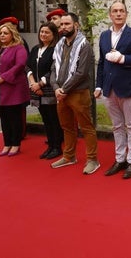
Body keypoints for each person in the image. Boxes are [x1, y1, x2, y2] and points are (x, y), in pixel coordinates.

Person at [96, 1, 131, 179]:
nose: (118, 14)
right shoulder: (103, 36)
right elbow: (101, 63)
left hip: (128, 87)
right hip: (109, 88)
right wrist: (98, 85)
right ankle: (120, 159)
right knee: (117, 126)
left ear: (126, 14)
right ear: (110, 15)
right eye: (115, 11)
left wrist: (123, 58)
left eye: (121, 11)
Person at [50, 13, 100, 175]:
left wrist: (63, 89)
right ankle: (69, 156)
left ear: (76, 25)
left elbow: (81, 73)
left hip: (78, 93)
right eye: (61, 24)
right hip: (61, 94)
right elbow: (53, 69)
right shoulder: (59, 45)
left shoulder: (84, 45)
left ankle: (93, 160)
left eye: (67, 24)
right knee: (67, 127)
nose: (63, 27)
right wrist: (56, 87)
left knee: (86, 127)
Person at [0, 23, 30, 157]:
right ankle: (7, 143)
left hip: (12, 88)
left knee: (14, 117)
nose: (2, 35)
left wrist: (4, 77)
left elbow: (20, 65)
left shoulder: (18, 48)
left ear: (12, 34)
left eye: (5, 33)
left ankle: (15, 144)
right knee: (3, 117)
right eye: (0, 33)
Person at [26, 22, 63, 159]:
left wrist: (40, 84)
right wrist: (32, 83)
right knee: (45, 119)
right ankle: (50, 146)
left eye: (47, 32)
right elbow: (28, 66)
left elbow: (54, 69)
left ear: (54, 35)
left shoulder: (56, 50)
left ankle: (57, 147)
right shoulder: (36, 49)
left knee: (54, 119)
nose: (43, 35)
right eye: (42, 32)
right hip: (35, 88)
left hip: (49, 89)